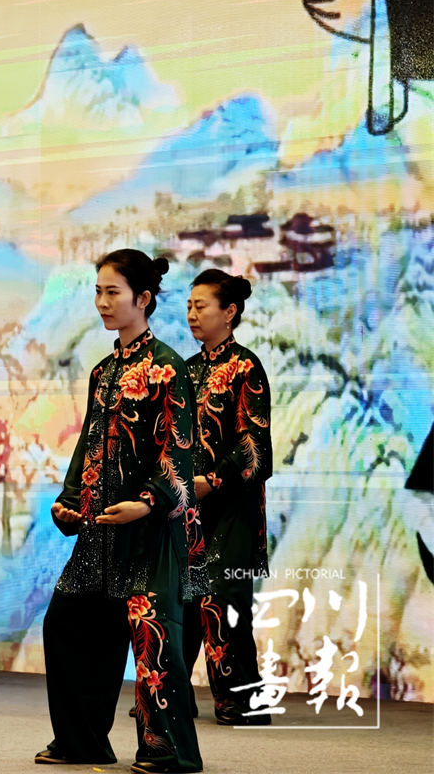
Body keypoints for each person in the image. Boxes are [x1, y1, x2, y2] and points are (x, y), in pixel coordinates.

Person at [37, 250, 203, 774]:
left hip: (149, 530)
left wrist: (148, 502)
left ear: (143, 299)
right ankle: (81, 742)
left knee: (153, 635)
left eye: (113, 292)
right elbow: (88, 445)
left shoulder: (169, 368)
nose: (102, 302)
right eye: (98, 292)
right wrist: (70, 501)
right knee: (67, 623)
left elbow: (179, 450)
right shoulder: (104, 371)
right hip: (101, 530)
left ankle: (168, 750)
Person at [182, 269, 273, 725]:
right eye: (189, 306)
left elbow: (255, 444)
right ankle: (170, 695)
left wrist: (215, 479)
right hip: (187, 509)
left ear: (230, 312)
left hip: (232, 506)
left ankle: (244, 700)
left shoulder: (245, 367)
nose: (192, 314)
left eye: (201, 306)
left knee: (223, 598)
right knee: (181, 600)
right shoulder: (186, 369)